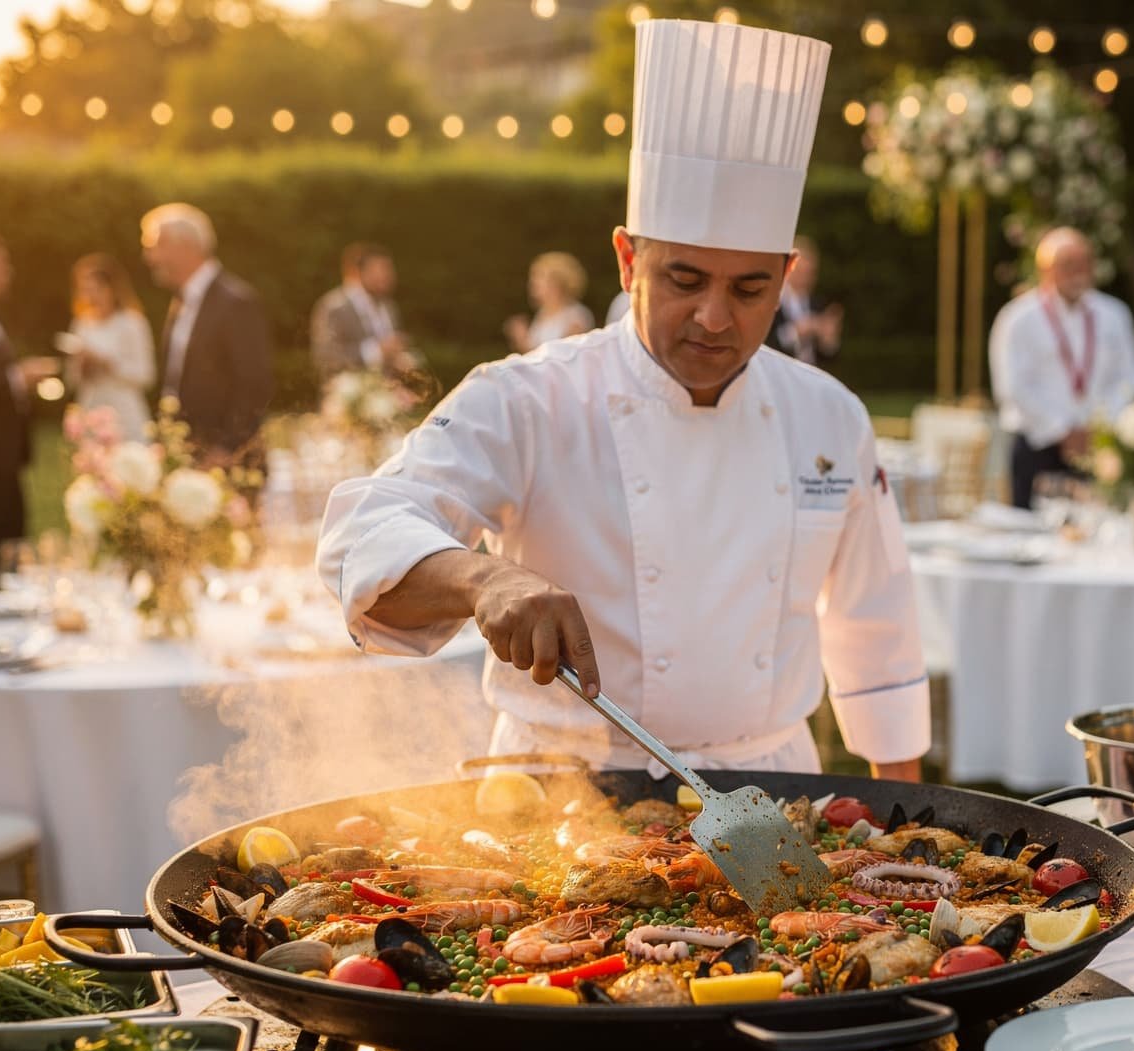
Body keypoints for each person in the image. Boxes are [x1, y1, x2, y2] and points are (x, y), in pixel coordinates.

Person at [319, 17, 929, 781]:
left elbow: (876, 620)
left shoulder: (830, 414)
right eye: (684, 280)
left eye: (749, 289)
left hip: (774, 789)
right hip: (558, 789)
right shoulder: (528, 397)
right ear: (626, 258)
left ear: (786, 274)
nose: (715, 317)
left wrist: (903, 819)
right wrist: (484, 579)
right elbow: (360, 530)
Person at [989, 228, 1134, 509]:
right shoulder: (1018, 319)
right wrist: (1062, 430)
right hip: (1038, 445)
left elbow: (1131, 378)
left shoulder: (1114, 315)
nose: (1079, 272)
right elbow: (1012, 387)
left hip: (1098, 447)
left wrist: (1098, 427)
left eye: (1085, 263)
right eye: (1068, 265)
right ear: (1045, 270)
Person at [142, 203, 273, 464]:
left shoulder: (235, 302)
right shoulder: (182, 301)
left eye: (157, 246)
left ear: (187, 245)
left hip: (229, 463)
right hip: (187, 455)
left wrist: (228, 448)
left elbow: (255, 383)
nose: (150, 257)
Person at [0, 230, 57, 579]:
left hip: (1, 453)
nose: (7, 271)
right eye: (1, 263)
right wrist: (16, 379)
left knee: (8, 531)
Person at [63, 253, 155, 441]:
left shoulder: (132, 323)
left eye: (96, 289)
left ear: (112, 289)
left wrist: (108, 364)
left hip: (124, 413)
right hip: (91, 409)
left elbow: (146, 375)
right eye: (85, 290)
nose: (91, 296)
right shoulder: (81, 324)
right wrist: (81, 366)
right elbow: (71, 380)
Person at [311, 243, 418, 383]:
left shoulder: (389, 306)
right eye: (380, 269)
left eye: (389, 269)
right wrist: (377, 351)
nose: (388, 276)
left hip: (388, 397)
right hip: (346, 399)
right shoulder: (333, 307)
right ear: (357, 272)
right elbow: (326, 357)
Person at [768, 235, 842, 367]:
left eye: (811, 272)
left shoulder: (818, 304)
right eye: (801, 271)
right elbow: (768, 346)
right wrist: (797, 331)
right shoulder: (773, 301)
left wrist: (829, 340)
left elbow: (829, 357)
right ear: (789, 268)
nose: (806, 278)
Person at [503, 252, 594, 353]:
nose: (532, 284)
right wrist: (521, 340)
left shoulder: (576, 315)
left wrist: (523, 339)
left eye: (538, 279)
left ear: (556, 283)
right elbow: (535, 359)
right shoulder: (542, 314)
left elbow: (563, 356)